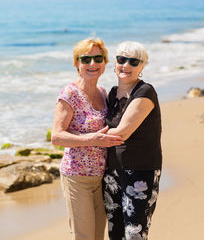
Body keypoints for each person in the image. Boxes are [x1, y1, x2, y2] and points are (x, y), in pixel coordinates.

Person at [51, 38, 124, 240]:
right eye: (86, 59)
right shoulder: (70, 93)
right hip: (77, 177)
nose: (92, 64)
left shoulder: (102, 92)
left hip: (101, 177)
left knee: (98, 236)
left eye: (98, 58)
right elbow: (56, 136)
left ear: (105, 62)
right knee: (83, 236)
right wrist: (92, 139)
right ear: (77, 63)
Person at [102, 41, 162, 240]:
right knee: (116, 231)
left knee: (135, 232)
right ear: (115, 62)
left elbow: (122, 133)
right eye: (122, 59)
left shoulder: (145, 92)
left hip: (140, 172)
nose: (126, 65)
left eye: (133, 62)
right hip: (112, 171)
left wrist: (84, 139)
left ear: (142, 66)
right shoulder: (111, 94)